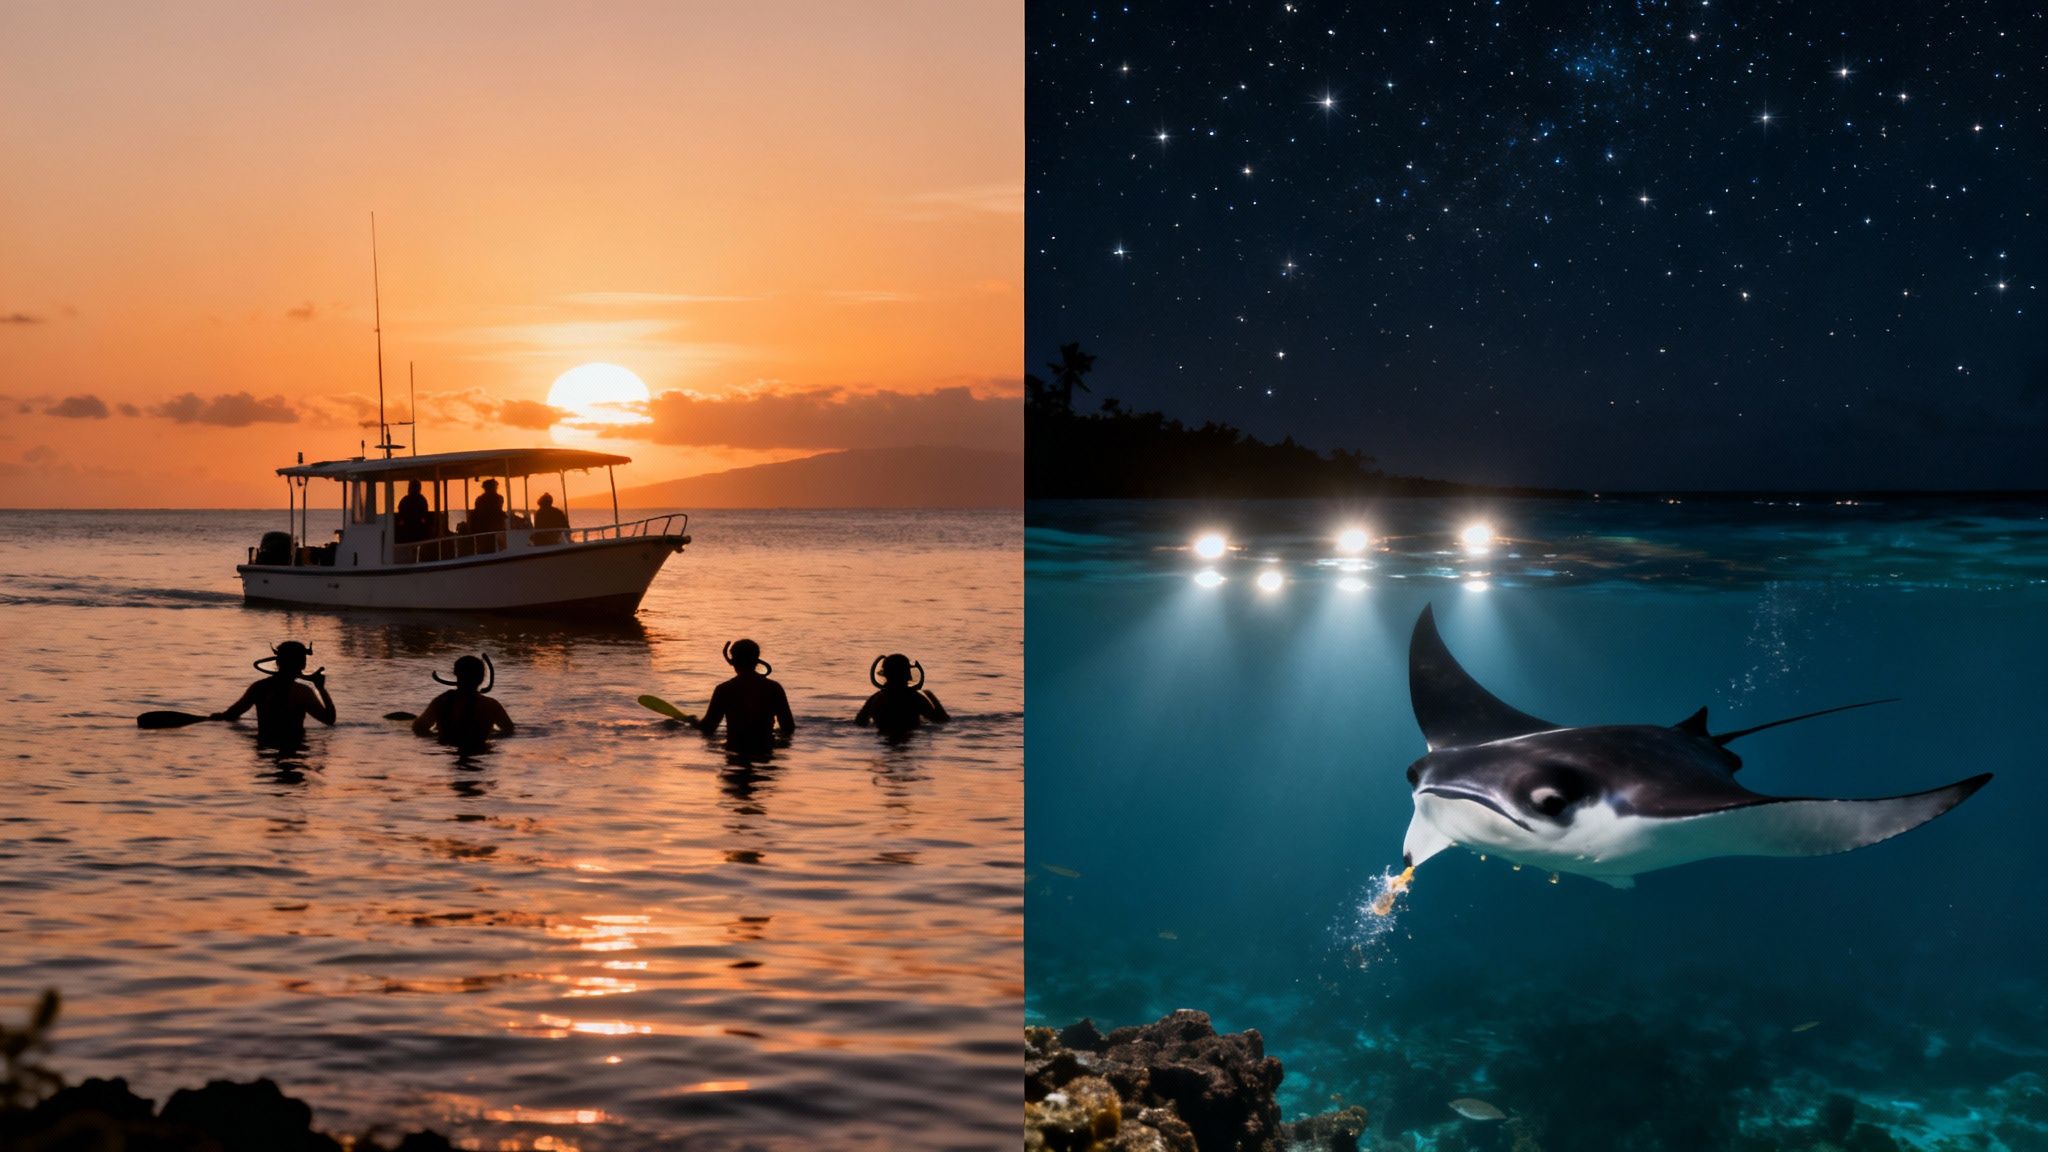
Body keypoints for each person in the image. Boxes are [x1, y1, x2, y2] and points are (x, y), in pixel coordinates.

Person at [214, 641, 336, 748]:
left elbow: (230, 715)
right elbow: (329, 720)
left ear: (277, 663)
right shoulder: (302, 692)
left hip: (264, 748)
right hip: (295, 748)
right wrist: (321, 689)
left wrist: (218, 716)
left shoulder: (259, 687)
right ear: (303, 665)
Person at [698, 639, 795, 761]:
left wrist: (692, 723)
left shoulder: (724, 689)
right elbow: (788, 728)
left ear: (732, 661)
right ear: (757, 660)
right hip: (765, 753)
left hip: (735, 752)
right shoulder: (774, 688)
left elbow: (708, 728)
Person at [412, 654, 514, 752]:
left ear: (456, 674)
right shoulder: (491, 705)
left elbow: (419, 728)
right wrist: (491, 736)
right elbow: (509, 730)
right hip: (480, 750)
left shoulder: (442, 701)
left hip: (446, 750)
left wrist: (436, 737)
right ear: (482, 678)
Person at [855, 653, 949, 737]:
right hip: (909, 736)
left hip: (883, 738)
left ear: (885, 675)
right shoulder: (914, 698)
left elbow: (859, 723)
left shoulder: (875, 699)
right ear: (908, 674)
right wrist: (931, 696)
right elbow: (942, 721)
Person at [395, 480, 433, 547]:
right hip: (410, 531)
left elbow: (424, 516)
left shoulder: (419, 500)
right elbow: (400, 516)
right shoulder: (420, 500)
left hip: (416, 531)